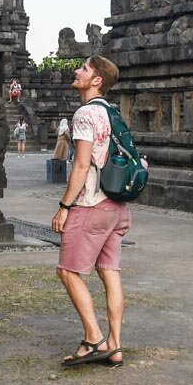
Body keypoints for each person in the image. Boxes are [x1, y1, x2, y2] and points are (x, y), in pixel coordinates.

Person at [51, 54, 127, 368]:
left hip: (91, 204)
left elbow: (81, 166)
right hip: (116, 205)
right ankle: (115, 345)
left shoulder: (85, 114)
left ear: (96, 80)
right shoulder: (112, 112)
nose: (76, 71)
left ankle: (93, 338)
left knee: (68, 271)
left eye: (84, 69)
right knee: (109, 272)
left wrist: (64, 207)